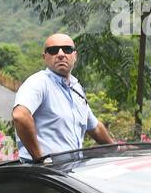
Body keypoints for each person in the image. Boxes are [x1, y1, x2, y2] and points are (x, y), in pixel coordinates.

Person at [11, 34, 115, 162]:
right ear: (45, 57)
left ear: (75, 56)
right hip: (45, 175)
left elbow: (94, 127)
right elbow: (20, 116)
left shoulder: (76, 88)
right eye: (53, 50)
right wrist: (40, 160)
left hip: (69, 174)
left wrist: (116, 148)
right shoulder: (39, 83)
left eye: (67, 49)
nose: (61, 54)